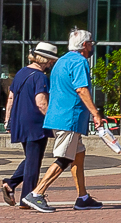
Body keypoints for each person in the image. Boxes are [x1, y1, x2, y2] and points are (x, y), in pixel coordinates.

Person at [20, 29, 108, 213]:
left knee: (78, 155)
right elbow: (81, 89)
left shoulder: (61, 62)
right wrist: (96, 114)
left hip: (59, 116)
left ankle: (82, 197)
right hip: (70, 118)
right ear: (85, 45)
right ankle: (36, 194)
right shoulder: (79, 62)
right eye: (91, 43)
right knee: (65, 158)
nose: (92, 46)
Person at [1, 42, 59, 206]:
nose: (51, 64)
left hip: (20, 121)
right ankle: (28, 197)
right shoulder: (40, 77)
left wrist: (8, 120)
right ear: (45, 60)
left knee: (31, 158)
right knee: (34, 162)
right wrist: (54, 121)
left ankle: (11, 183)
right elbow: (41, 103)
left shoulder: (21, 73)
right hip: (35, 123)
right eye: (50, 61)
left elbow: (10, 97)